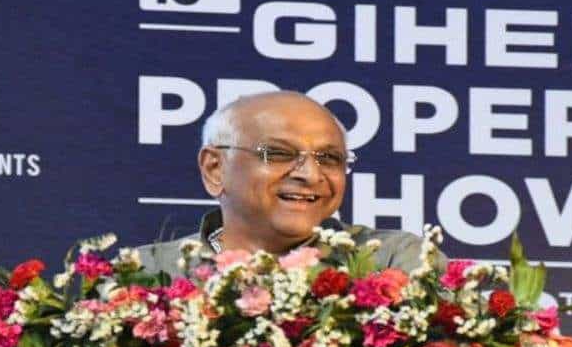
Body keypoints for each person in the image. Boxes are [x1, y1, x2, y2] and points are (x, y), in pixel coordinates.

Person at [137, 91, 425, 272]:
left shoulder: (392, 262)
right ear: (215, 168)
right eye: (278, 153)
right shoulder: (147, 274)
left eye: (329, 158)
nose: (310, 175)